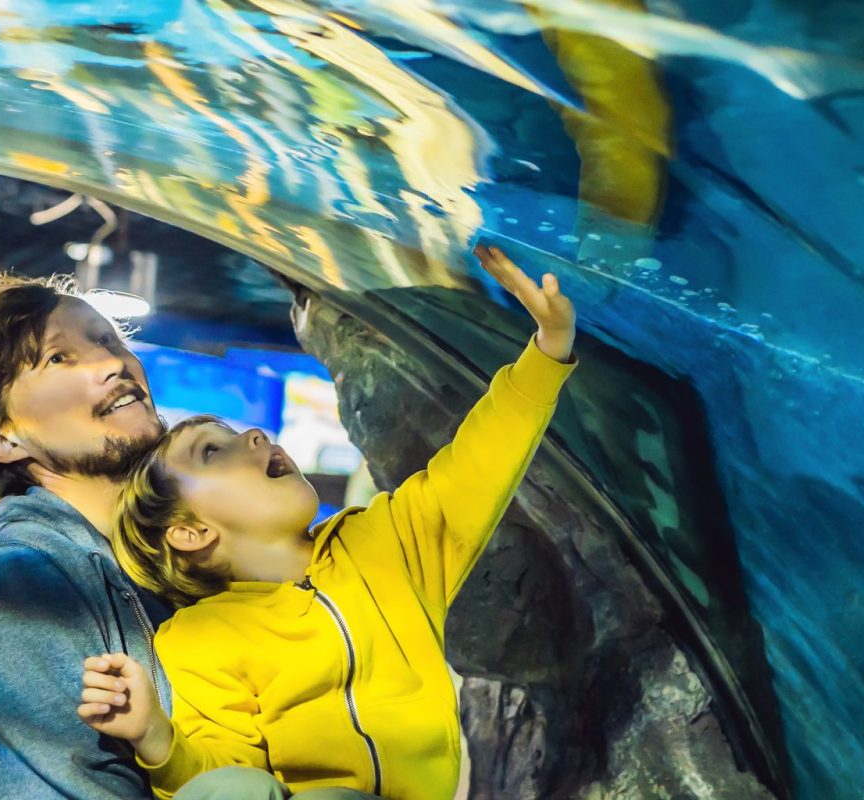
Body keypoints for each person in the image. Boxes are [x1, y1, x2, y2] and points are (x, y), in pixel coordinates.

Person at [76, 246, 577, 800]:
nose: (255, 436)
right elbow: (215, 776)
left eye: (243, 432)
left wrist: (548, 351)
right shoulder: (199, 640)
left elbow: (481, 462)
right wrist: (157, 738)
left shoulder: (385, 543)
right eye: (213, 453)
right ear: (190, 533)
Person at [0, 274, 173, 798]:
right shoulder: (21, 575)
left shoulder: (173, 539)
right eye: (58, 358)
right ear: (4, 437)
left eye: (108, 340)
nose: (113, 364)